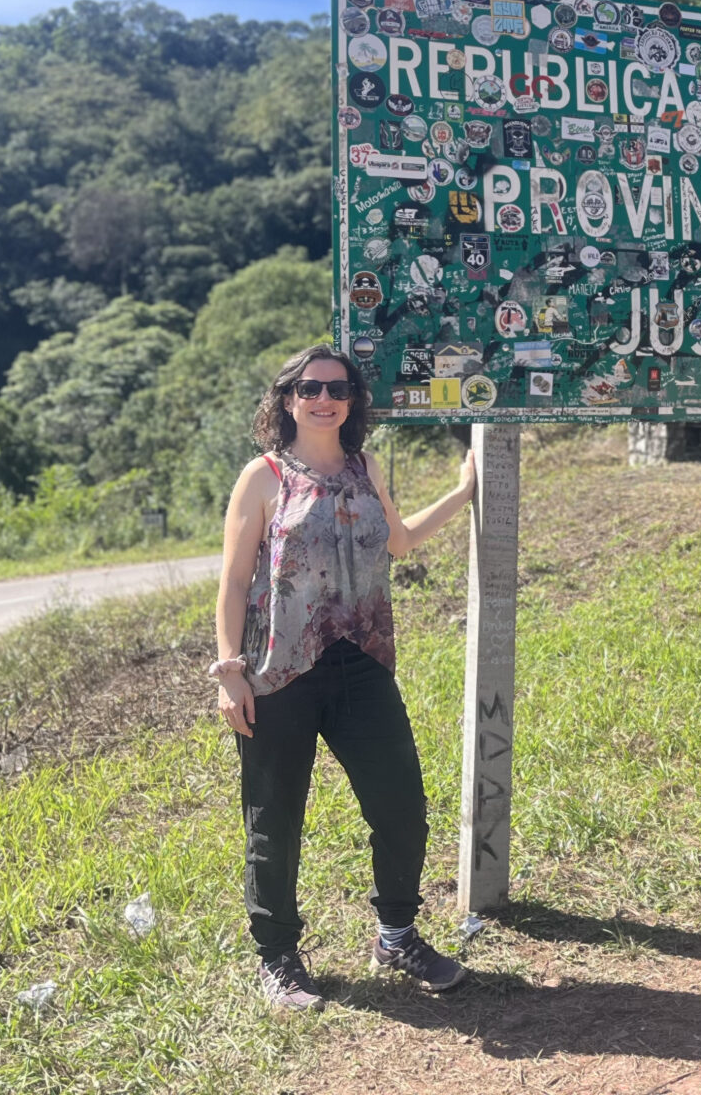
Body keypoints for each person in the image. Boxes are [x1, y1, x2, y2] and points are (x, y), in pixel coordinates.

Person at [211, 344, 478, 1009]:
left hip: (361, 665)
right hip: (279, 672)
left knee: (402, 808)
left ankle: (396, 933)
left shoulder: (366, 467)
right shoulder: (264, 477)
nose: (323, 398)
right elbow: (234, 580)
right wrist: (229, 672)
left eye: (337, 387)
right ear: (288, 399)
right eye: (309, 388)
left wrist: (462, 492)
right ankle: (277, 958)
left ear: (354, 400)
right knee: (275, 820)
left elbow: (399, 541)